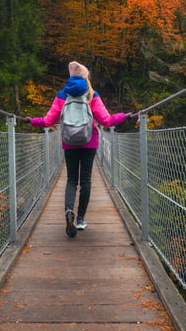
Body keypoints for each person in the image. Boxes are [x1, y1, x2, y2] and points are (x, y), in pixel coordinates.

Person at [21, 62, 136, 238]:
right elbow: (106, 121)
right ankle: (81, 218)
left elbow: (48, 121)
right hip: (90, 141)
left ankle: (69, 211)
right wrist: (125, 116)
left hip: (69, 142)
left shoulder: (62, 95)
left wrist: (31, 121)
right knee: (86, 181)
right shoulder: (91, 95)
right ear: (85, 77)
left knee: (72, 180)